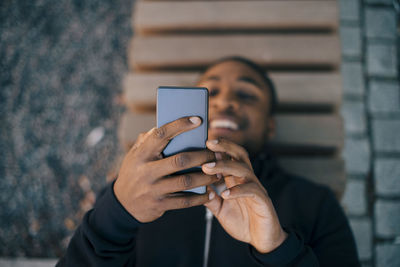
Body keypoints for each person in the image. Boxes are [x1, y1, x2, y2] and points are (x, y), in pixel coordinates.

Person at [57, 57, 360, 266]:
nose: (225, 101)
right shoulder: (136, 192)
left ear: (270, 126)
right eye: (209, 93)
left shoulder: (315, 203)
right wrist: (118, 213)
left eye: (247, 94)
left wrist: (278, 249)